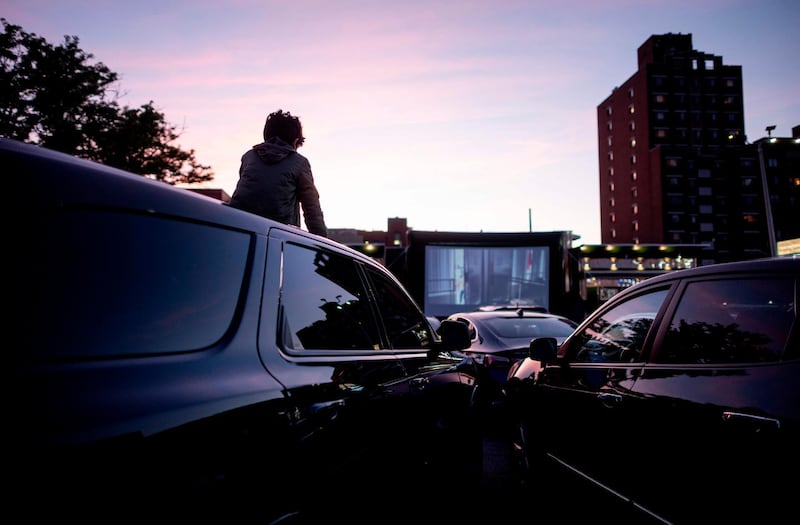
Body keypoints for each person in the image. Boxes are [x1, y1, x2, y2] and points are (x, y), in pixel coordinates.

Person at [229, 109, 328, 237]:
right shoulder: (299, 163)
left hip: (239, 230)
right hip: (279, 236)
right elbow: (312, 210)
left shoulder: (249, 157)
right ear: (295, 141)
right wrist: (322, 246)